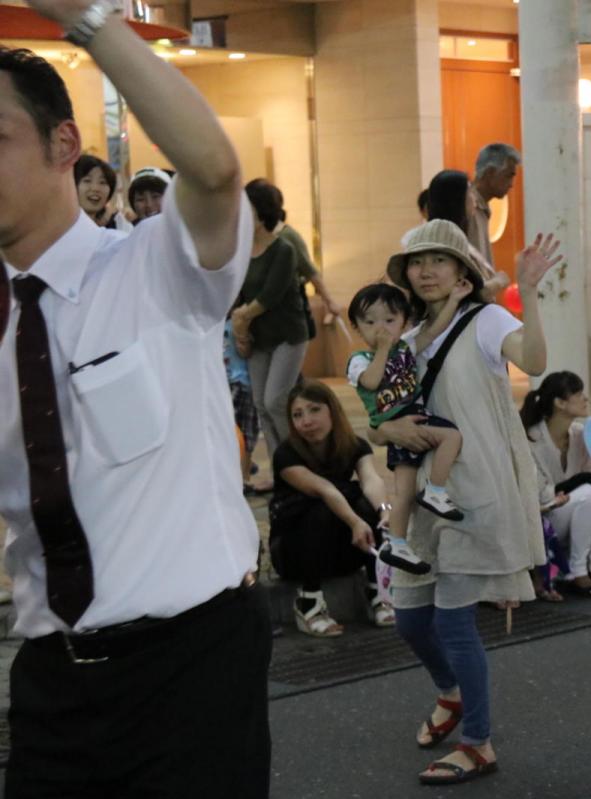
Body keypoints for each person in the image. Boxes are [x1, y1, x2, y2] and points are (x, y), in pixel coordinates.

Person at [0, 15, 269, 796]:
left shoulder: (155, 265)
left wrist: (90, 23)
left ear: (63, 146)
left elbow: (216, 169)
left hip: (192, 662)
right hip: (53, 675)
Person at [375, 218, 560, 785]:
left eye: (439, 260)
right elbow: (381, 418)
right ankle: (449, 694)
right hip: (420, 494)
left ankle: (478, 742)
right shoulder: (404, 337)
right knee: (409, 619)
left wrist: (527, 290)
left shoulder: (486, 320)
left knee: (455, 624)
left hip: (475, 492)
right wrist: (390, 433)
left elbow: (533, 361)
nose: (426, 270)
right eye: (417, 262)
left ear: (461, 271)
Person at [346, 276, 473, 571]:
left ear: (404, 322)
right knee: (449, 439)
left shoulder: (406, 346)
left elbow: (435, 330)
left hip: (415, 417)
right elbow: (372, 381)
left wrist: (454, 300)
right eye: (370, 322)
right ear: (356, 327)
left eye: (390, 320)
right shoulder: (359, 360)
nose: (381, 328)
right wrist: (381, 350)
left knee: (406, 491)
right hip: (397, 425)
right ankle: (433, 495)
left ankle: (399, 542)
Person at [270, 382, 395, 634]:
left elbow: (371, 479)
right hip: (294, 553)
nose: (306, 421)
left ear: (332, 411)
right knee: (321, 509)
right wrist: (354, 522)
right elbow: (324, 489)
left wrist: (385, 510)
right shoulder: (286, 454)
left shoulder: (355, 445)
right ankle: (307, 603)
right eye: (297, 415)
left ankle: (378, 592)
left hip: (339, 549)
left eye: (314, 410)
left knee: (368, 505)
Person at [231, 179, 309, 471]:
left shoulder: (283, 249)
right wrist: (240, 329)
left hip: (288, 335)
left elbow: (268, 297)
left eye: (246, 209)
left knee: (276, 401)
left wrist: (240, 318)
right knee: (261, 405)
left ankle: (302, 463)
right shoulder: (241, 251)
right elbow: (237, 294)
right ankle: (282, 471)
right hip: (258, 338)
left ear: (262, 213)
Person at [521, 371, 591, 596]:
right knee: (590, 493)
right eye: (578, 394)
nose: (586, 398)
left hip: (572, 511)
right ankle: (576, 571)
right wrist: (585, 481)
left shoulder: (580, 435)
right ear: (559, 403)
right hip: (544, 518)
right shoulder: (531, 439)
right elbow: (540, 495)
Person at [267, 182, 341, 334]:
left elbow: (310, 271)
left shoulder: (287, 236)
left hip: (287, 316)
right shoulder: (250, 238)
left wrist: (329, 301)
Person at [426, 168, 510, 299]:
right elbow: (469, 293)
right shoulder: (445, 240)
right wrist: (498, 282)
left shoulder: (456, 236)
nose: (474, 197)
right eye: (470, 191)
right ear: (457, 200)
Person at [468, 141, 520, 268]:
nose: (511, 184)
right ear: (490, 172)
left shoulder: (483, 207)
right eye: (509, 176)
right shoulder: (468, 206)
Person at [225, 315, 259, 491]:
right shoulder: (214, 322)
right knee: (228, 430)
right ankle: (237, 471)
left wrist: (242, 339)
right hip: (223, 383)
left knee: (246, 431)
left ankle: (244, 476)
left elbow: (246, 351)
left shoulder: (239, 320)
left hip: (243, 383)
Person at [73, 153, 129, 231]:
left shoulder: (119, 225)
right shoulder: (57, 229)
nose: (95, 188)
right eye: (87, 181)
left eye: (103, 182)